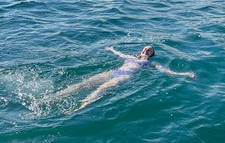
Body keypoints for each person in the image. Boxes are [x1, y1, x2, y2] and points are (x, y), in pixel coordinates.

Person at [57, 45, 195, 111]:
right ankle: (55, 97)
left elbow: (167, 71)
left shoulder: (151, 63)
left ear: (152, 54)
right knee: (82, 85)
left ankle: (80, 107)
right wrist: (111, 49)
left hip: (125, 77)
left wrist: (185, 74)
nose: (146, 50)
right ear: (141, 50)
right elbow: (119, 54)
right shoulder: (130, 57)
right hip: (114, 72)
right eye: (145, 48)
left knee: (101, 89)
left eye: (149, 50)